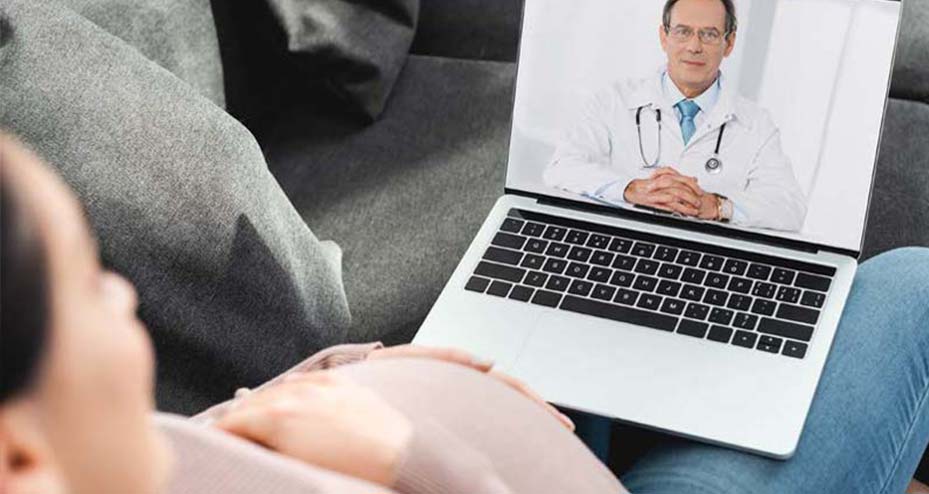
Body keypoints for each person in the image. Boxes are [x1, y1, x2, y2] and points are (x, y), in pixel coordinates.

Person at [2, 133, 929, 494]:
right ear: (21, 453)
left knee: (620, 254)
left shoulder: (88, 458)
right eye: (88, 284)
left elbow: (203, 451)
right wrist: (412, 456)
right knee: (914, 289)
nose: (125, 292)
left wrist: (333, 377)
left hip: (523, 430)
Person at [543, 0, 807, 231]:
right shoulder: (613, 100)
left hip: (707, 256)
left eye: (709, 34)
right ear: (663, 37)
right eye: (683, 32)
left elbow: (789, 207)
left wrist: (717, 206)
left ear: (729, 43)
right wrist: (631, 189)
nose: (694, 46)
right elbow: (561, 167)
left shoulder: (757, 123)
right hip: (622, 240)